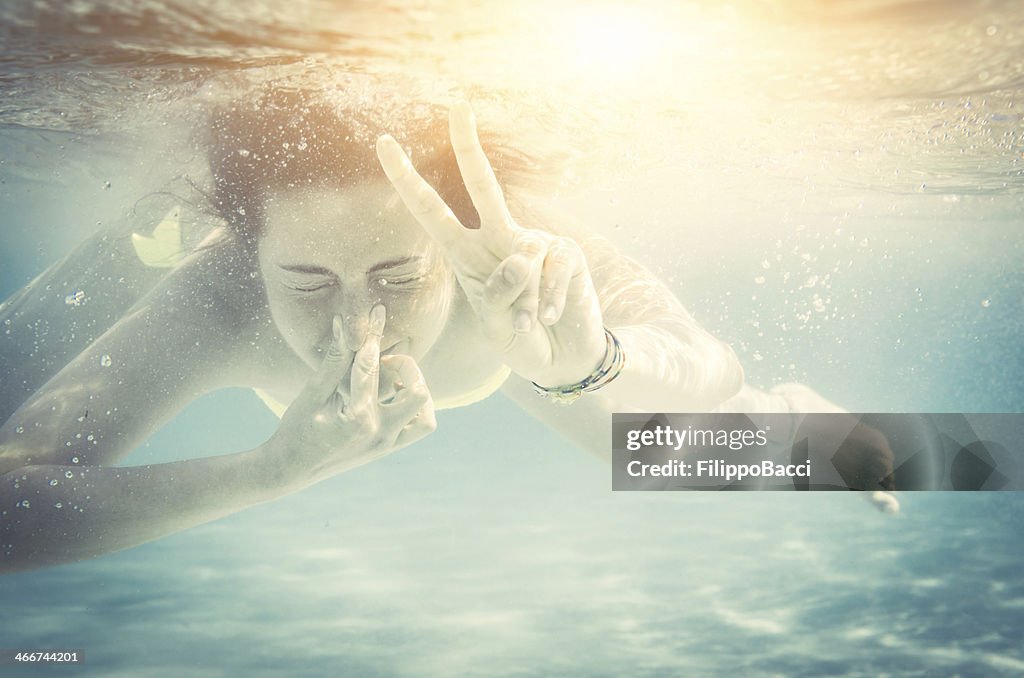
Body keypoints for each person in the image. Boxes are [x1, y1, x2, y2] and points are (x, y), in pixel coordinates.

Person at [0, 88, 896, 573]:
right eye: (306, 281)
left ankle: (799, 413)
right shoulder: (220, 301)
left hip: (508, 351)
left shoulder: (504, 252)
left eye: (400, 275)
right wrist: (267, 473)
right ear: (248, 254)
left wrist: (591, 362)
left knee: (685, 459)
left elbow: (704, 364)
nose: (360, 324)